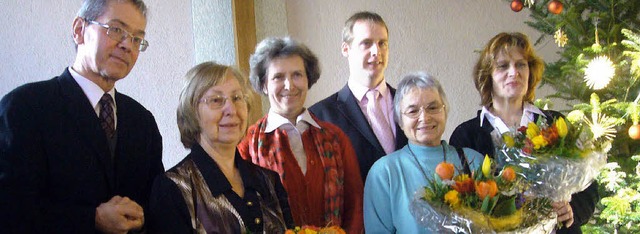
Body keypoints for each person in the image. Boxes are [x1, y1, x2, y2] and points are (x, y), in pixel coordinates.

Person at [0, 0, 163, 233]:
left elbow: (155, 204)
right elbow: (9, 209)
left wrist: (144, 217)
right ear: (79, 30)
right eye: (116, 30)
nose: (127, 45)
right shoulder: (24, 107)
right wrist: (91, 219)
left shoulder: (142, 121)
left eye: (137, 39)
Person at [449, 32, 599, 233]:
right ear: (488, 76)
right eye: (503, 66)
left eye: (521, 64)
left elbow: (588, 187)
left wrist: (571, 209)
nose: (514, 72)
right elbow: (462, 200)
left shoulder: (555, 122)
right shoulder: (466, 135)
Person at [147, 62, 294, 233]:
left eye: (237, 98)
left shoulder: (269, 181)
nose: (231, 109)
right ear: (192, 112)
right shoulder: (173, 189)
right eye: (216, 100)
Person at [238, 37, 363, 233]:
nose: (289, 85)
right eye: (278, 77)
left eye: (297, 75)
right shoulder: (248, 145)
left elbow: (355, 206)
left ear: (308, 79)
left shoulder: (336, 139)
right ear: (263, 84)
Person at [364, 72, 484, 233]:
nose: (425, 118)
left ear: (445, 111)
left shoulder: (473, 161)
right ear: (400, 121)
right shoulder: (384, 173)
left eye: (433, 108)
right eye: (413, 111)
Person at [309, 11, 408, 181]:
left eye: (382, 43)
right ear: (346, 49)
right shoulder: (320, 116)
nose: (376, 51)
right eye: (367, 43)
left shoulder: (409, 104)